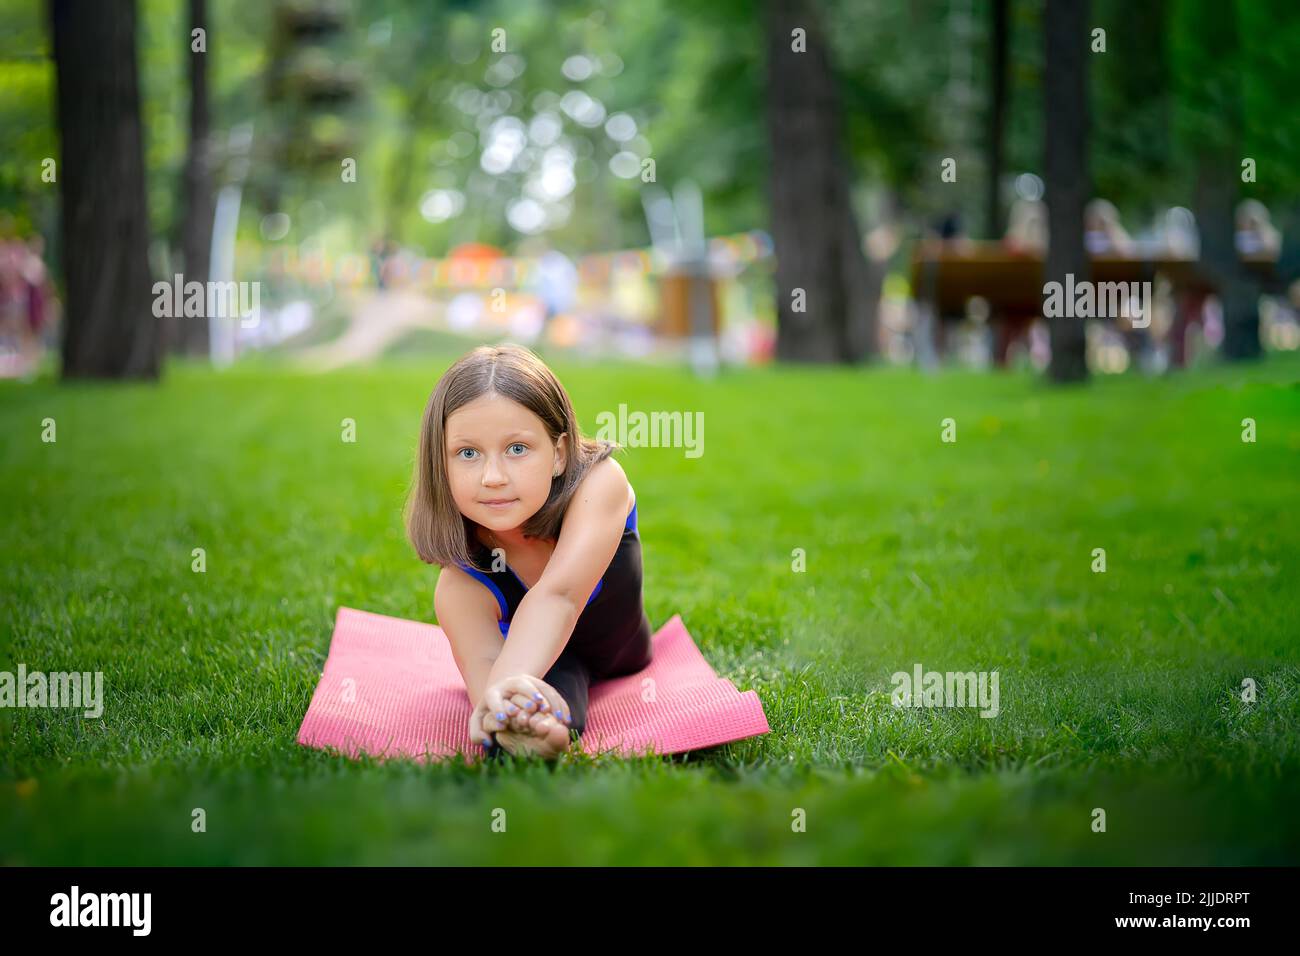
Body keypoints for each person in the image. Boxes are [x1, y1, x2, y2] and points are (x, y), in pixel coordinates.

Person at [404, 343, 651, 760]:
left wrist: (501, 690)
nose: (494, 477)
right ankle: (536, 738)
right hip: (544, 664)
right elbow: (487, 676)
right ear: (439, 465)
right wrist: (502, 710)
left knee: (516, 680)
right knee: (517, 706)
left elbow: (559, 596)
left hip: (625, 653)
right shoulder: (462, 585)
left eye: (517, 449)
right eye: (468, 453)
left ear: (558, 454)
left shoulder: (599, 484)